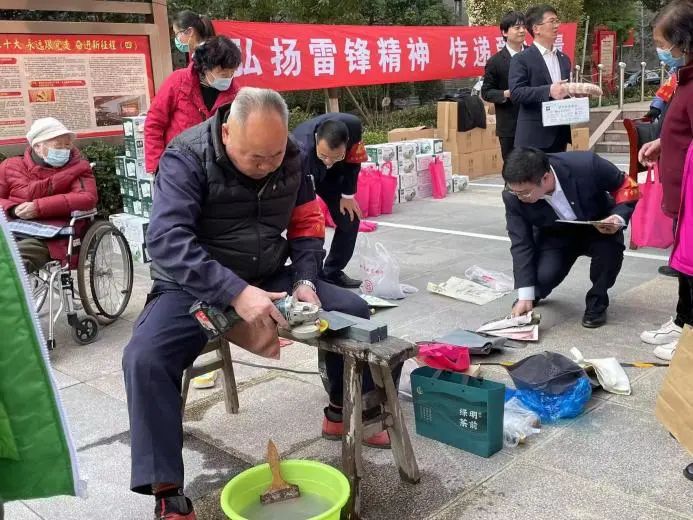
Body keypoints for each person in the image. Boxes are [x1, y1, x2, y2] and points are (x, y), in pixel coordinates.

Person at [123, 88, 393, 520]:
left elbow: (306, 223)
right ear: (227, 132)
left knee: (353, 311)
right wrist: (234, 292)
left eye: (275, 155)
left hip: (268, 270)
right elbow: (166, 239)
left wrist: (306, 279)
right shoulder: (186, 157)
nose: (268, 166)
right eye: (255, 159)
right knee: (145, 358)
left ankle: (341, 411)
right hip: (195, 281)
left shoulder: (290, 156)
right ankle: (168, 491)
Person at [503, 148, 639, 328]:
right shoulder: (513, 197)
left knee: (608, 254)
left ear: (545, 178)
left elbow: (627, 185)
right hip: (556, 234)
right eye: (515, 192)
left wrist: (618, 218)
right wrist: (525, 294)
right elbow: (521, 243)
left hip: (598, 227)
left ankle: (597, 302)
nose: (520, 197)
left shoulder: (586, 165)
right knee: (544, 277)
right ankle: (533, 295)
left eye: (525, 193)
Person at [638, 0, 693, 361]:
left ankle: (689, 337)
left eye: (663, 44)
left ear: (684, 42)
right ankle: (681, 320)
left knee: (691, 266)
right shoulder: (684, 77)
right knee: (684, 266)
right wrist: (663, 142)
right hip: (680, 191)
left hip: (691, 196)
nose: (662, 52)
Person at [0, 117, 97, 272]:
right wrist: (12, 208)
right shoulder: (10, 166)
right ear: (37, 146)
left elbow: (86, 198)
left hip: (53, 234)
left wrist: (39, 207)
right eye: (58, 146)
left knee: (11, 262)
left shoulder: (78, 167)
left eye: (67, 145)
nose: (65, 150)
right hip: (14, 228)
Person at [144, 35, 241, 175]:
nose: (228, 78)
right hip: (177, 165)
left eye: (232, 73)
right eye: (223, 74)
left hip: (215, 171)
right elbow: (154, 124)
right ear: (206, 68)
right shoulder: (178, 82)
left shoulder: (235, 93)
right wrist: (157, 166)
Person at [292, 113, 367, 288]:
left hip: (334, 177)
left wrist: (348, 196)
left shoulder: (353, 126)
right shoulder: (300, 144)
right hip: (305, 173)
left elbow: (353, 162)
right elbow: (302, 189)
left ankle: (332, 272)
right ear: (317, 141)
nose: (329, 161)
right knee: (308, 224)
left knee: (350, 217)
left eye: (336, 156)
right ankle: (308, 274)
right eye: (324, 155)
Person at [508, 4, 572, 153]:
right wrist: (549, 90)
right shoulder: (521, 59)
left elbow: (563, 92)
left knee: (557, 176)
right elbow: (516, 93)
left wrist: (574, 93)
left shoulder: (564, 59)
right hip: (534, 137)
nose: (557, 25)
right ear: (536, 29)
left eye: (557, 21)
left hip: (560, 135)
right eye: (552, 21)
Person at [481, 11, 527, 161]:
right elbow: (486, 92)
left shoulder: (533, 56)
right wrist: (506, 94)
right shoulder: (496, 62)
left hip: (534, 123)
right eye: (516, 27)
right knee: (513, 169)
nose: (522, 31)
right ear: (505, 32)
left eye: (523, 27)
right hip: (509, 126)